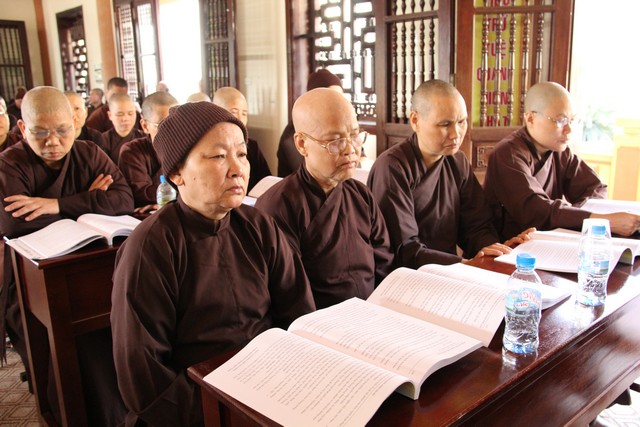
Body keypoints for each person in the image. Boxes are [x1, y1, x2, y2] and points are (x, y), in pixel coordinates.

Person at [111, 101, 315, 426]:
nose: (238, 169)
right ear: (177, 173)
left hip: (269, 389)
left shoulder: (260, 227)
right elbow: (145, 378)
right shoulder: (150, 248)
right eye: (219, 156)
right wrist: (220, 414)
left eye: (242, 154)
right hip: (196, 407)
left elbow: (299, 315)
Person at [0, 86, 133, 426]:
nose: (53, 142)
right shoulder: (10, 164)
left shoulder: (89, 153)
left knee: (108, 337)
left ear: (74, 123)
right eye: (40, 133)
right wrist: (88, 200)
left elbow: (123, 199)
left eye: (62, 130)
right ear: (22, 128)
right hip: (30, 277)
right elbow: (14, 223)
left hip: (91, 267)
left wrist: (56, 205)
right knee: (52, 355)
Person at [367, 79, 532, 269]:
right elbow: (405, 249)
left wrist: (495, 251)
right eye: (445, 124)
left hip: (452, 270)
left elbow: (477, 226)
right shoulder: (392, 168)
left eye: (461, 122)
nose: (456, 134)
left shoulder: (457, 161)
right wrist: (466, 264)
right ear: (415, 120)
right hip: (407, 276)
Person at [255, 88, 394, 309]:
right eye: (335, 141)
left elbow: (384, 262)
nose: (350, 150)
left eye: (355, 135)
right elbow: (290, 294)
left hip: (373, 314)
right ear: (302, 144)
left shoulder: (361, 195)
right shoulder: (277, 206)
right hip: (317, 323)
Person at [484, 81, 640, 238]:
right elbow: (536, 211)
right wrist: (599, 220)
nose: (569, 130)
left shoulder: (559, 151)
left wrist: (573, 215)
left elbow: (595, 188)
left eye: (572, 120)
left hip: (548, 238)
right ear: (530, 119)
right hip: (509, 245)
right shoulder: (508, 154)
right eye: (560, 120)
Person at [277, 68, 344, 177]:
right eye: (331, 97)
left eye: (340, 97)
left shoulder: (337, 125)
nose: (338, 103)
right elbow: (317, 172)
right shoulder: (292, 134)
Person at [118, 91, 178, 212]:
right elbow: (141, 193)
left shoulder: (189, 149)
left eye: (177, 123)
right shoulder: (132, 152)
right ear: (145, 126)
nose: (172, 131)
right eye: (163, 125)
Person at [213, 87, 272, 191]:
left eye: (244, 114)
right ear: (216, 113)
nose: (240, 119)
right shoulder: (210, 147)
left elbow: (266, 181)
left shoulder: (252, 147)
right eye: (234, 112)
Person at [99, 93, 144, 164]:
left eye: (130, 113)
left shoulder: (144, 138)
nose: (126, 118)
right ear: (110, 115)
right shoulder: (102, 140)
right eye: (120, 114)